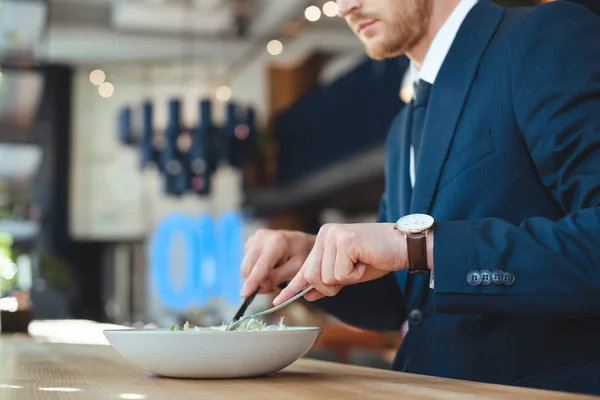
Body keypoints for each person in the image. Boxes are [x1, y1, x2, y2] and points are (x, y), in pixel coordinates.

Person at [240, 0, 600, 395]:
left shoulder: (543, 37)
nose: (343, 7)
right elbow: (405, 302)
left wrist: (418, 246)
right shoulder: (403, 125)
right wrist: (311, 257)